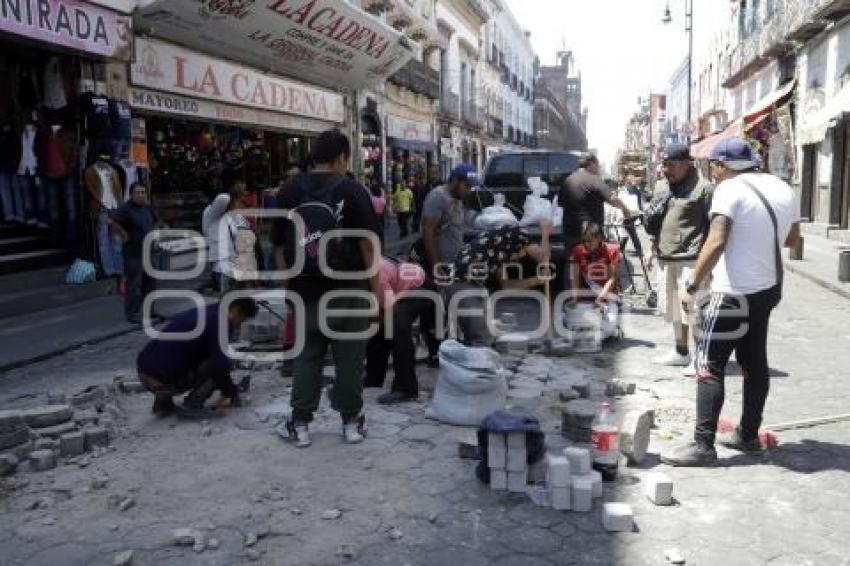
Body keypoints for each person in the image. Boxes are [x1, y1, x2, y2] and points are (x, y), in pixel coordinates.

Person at [661, 137, 800, 467]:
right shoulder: (782, 188)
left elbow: (717, 239)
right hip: (767, 290)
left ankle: (703, 446)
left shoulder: (728, 188)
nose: (713, 172)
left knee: (709, 361)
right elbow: (793, 239)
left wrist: (692, 285)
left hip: (734, 291)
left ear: (721, 165)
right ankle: (747, 434)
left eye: (713, 166)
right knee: (754, 360)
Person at [272, 129, 381, 448]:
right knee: (350, 358)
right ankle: (350, 424)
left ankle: (301, 425)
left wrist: (288, 288)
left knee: (308, 358)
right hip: (350, 291)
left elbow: (278, 246)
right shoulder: (353, 190)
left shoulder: (289, 191)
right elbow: (368, 247)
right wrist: (375, 295)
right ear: (341, 158)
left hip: (305, 290)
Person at [645, 144, 714, 374]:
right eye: (664, 164)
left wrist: (708, 263)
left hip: (691, 260)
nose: (666, 169)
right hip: (667, 258)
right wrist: (651, 248)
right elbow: (658, 222)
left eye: (671, 164)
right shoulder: (664, 187)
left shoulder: (703, 189)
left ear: (687, 163)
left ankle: (700, 356)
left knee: (693, 310)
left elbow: (715, 228)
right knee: (674, 309)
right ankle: (681, 352)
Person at [136, 298, 258, 419]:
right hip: (166, 383)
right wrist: (232, 394)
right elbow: (220, 366)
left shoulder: (205, 312)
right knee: (218, 364)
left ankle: (163, 402)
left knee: (178, 356)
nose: (238, 326)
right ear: (236, 311)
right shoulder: (220, 322)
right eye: (241, 320)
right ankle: (192, 405)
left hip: (145, 375)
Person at [444, 224, 550, 347]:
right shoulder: (515, 235)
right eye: (522, 253)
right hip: (461, 283)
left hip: (471, 286)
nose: (519, 258)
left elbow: (507, 286)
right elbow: (540, 253)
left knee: (481, 337)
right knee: (481, 338)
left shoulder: (496, 253)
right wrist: (544, 257)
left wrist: (537, 280)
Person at [364, 257, 438, 405]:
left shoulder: (377, 274)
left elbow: (392, 310)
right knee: (380, 333)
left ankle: (406, 388)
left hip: (419, 285)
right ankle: (373, 380)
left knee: (398, 326)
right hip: (399, 287)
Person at [560, 154, 635, 287]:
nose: (598, 168)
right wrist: (625, 209)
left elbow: (561, 204)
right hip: (590, 232)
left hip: (570, 230)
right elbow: (612, 199)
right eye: (598, 164)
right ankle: (596, 295)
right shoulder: (594, 179)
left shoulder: (568, 180)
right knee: (596, 263)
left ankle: (571, 297)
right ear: (592, 163)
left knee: (572, 263)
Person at [110, 183, 158, 324]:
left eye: (143, 192)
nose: (141, 195)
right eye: (138, 192)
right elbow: (111, 221)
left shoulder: (147, 207)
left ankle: (151, 310)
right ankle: (132, 313)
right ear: (131, 194)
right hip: (133, 252)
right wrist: (123, 233)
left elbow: (155, 221)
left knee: (150, 283)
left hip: (148, 250)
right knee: (134, 284)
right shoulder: (126, 209)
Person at [419, 164, 477, 277]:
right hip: (443, 265)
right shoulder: (438, 197)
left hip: (454, 262)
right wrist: (437, 265)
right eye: (467, 186)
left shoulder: (457, 198)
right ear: (455, 181)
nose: (469, 191)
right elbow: (428, 231)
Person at [569, 223, 621, 340]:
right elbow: (575, 276)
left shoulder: (611, 250)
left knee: (608, 331)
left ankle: (612, 324)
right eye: (585, 241)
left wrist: (600, 299)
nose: (587, 244)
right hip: (587, 296)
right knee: (572, 323)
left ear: (599, 238)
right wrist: (574, 298)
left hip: (607, 296)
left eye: (590, 241)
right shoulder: (577, 250)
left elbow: (612, 278)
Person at [202, 183, 250, 294]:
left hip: (238, 262)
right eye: (241, 198)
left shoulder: (234, 215)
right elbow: (223, 198)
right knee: (228, 295)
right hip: (223, 264)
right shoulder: (211, 214)